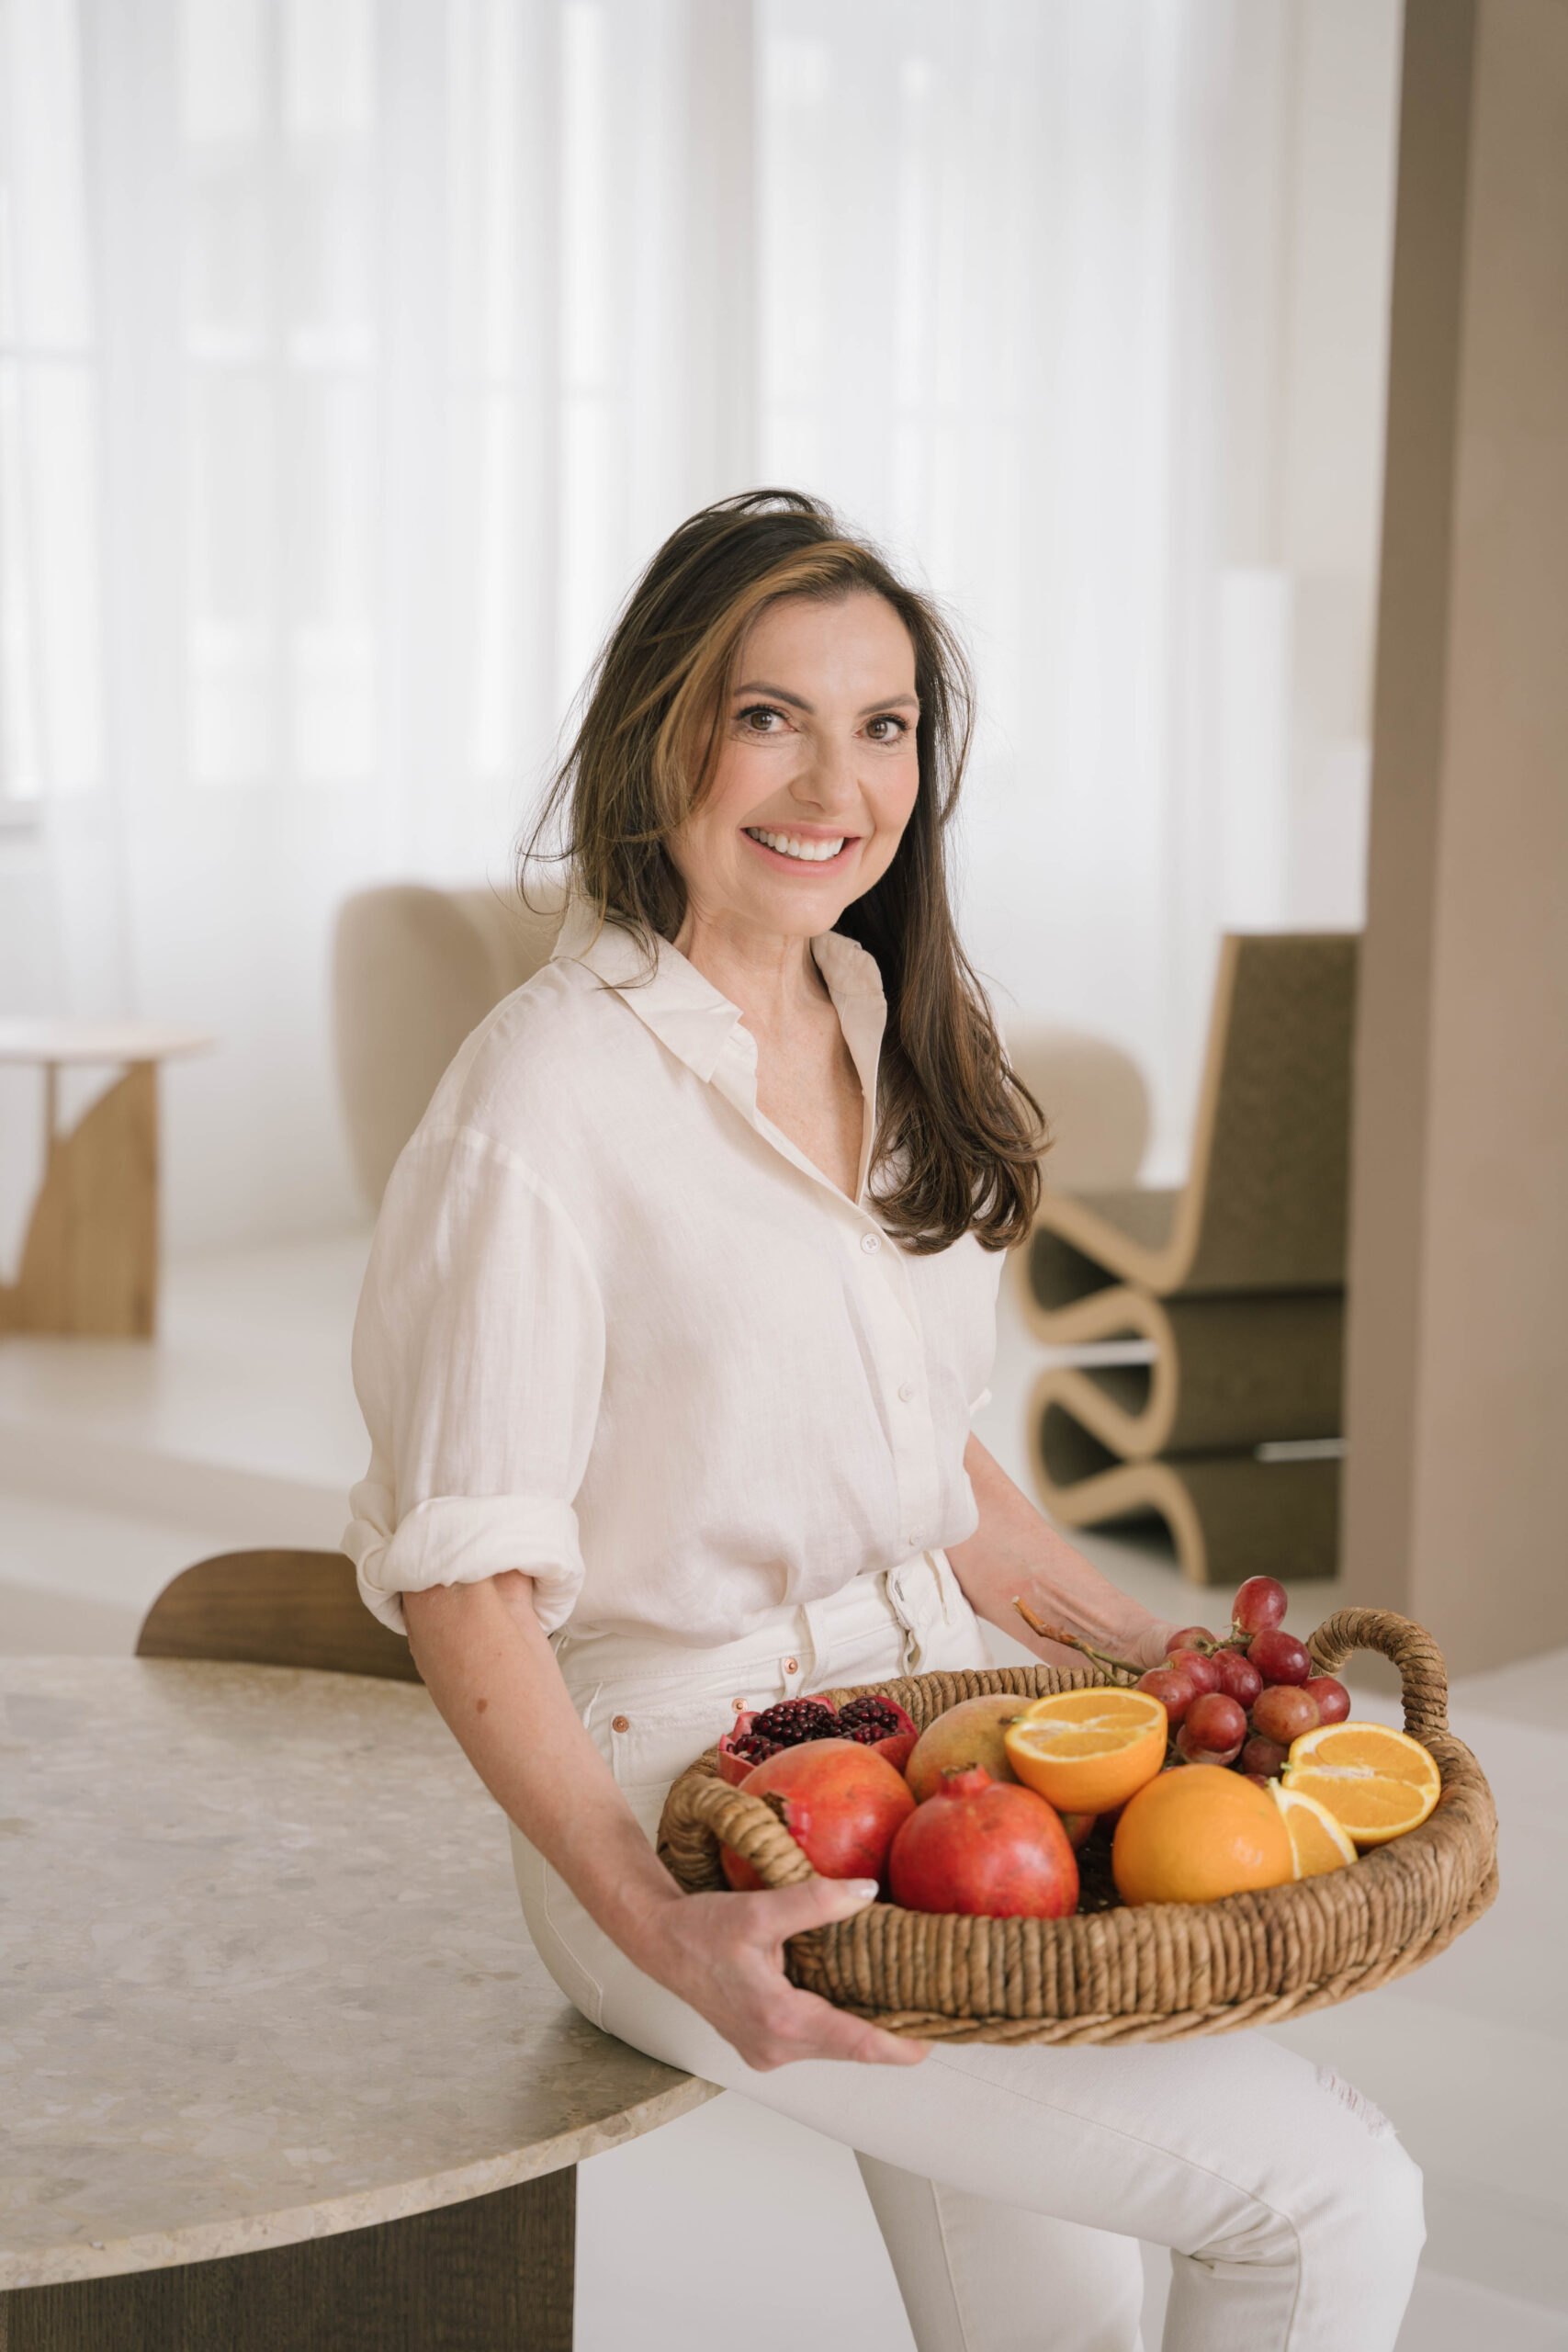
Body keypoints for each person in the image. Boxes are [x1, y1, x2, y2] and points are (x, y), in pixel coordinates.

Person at [344, 491, 1423, 2352]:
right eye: (768, 715)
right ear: (660, 734)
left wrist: (1157, 1656)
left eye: (883, 724)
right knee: (1329, 2201)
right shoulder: (542, 1094)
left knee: (1054, 2331)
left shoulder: (884, 1017)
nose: (831, 783)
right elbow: (465, 1583)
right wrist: (650, 1916)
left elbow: (924, 1455)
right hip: (695, 1805)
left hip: (944, 1746)